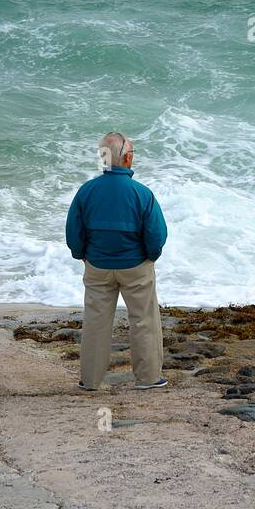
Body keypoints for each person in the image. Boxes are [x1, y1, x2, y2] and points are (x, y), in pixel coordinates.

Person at [65, 131, 168, 390]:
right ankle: (147, 378)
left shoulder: (87, 191)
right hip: (136, 266)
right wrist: (149, 258)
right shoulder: (141, 193)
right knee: (144, 320)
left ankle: (90, 381)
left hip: (98, 266)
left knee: (95, 324)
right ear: (128, 158)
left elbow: (73, 233)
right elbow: (156, 235)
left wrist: (83, 256)